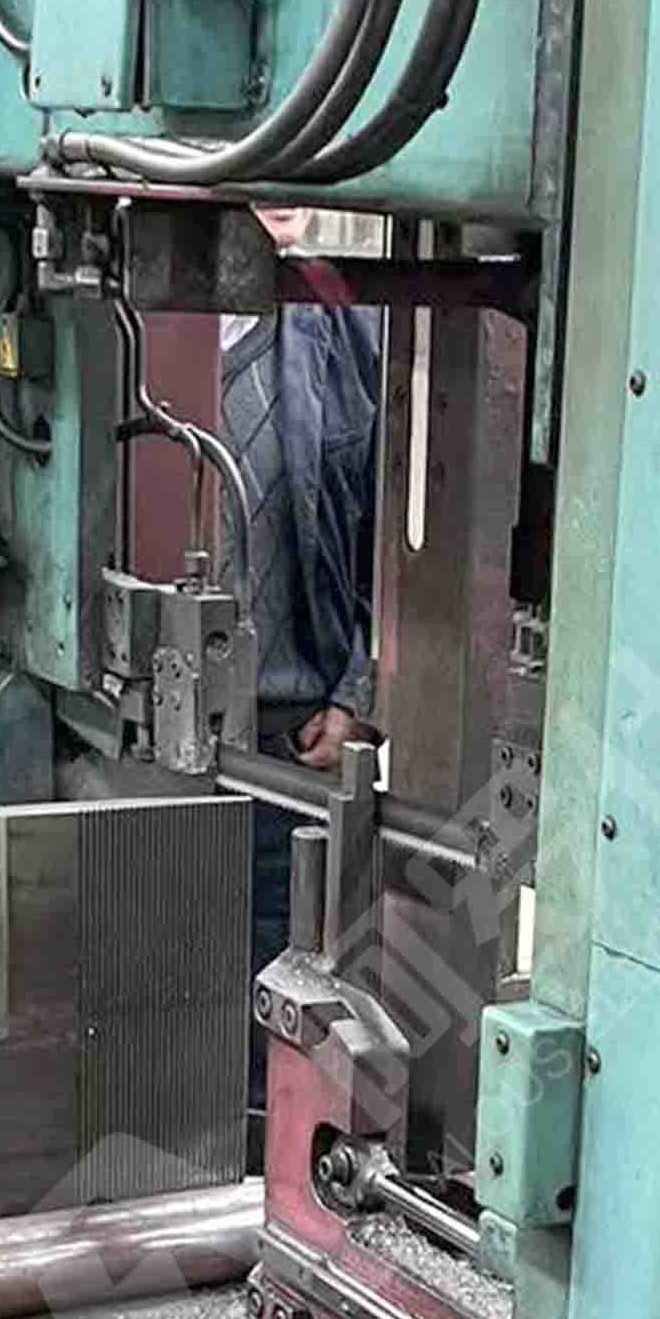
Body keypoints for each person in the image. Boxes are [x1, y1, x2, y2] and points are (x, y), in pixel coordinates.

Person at [224, 219, 383, 1034]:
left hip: (286, 750)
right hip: (126, 754)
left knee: (274, 1026)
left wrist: (357, 691)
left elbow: (394, 523)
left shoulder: (341, 322)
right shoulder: (112, 314)